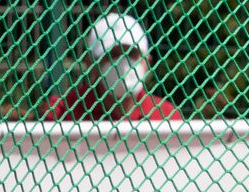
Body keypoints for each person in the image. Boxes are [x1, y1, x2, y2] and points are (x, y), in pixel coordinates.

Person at [41, 14, 183, 121]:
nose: (123, 62)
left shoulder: (166, 116)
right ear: (91, 64)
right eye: (113, 54)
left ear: (147, 62)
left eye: (132, 54)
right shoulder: (62, 111)